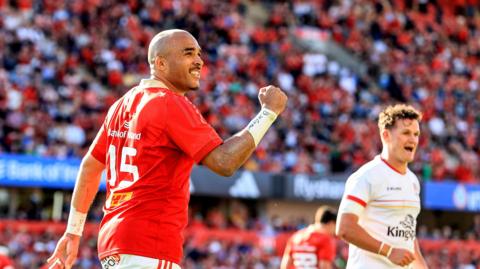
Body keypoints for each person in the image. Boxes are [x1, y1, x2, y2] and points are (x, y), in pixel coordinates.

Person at [46, 29, 288, 269]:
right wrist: (268, 114)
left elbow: (90, 166)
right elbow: (225, 162)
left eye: (199, 54)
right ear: (160, 63)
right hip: (150, 245)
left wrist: (72, 232)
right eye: (188, 53)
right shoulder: (170, 103)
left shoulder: (121, 105)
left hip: (114, 244)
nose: (198, 61)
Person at [336, 104, 428, 268]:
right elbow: (344, 227)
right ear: (386, 136)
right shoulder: (367, 176)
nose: (413, 139)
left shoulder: (413, 181)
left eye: (416, 134)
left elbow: (407, 236)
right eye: (406, 133)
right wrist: (388, 251)